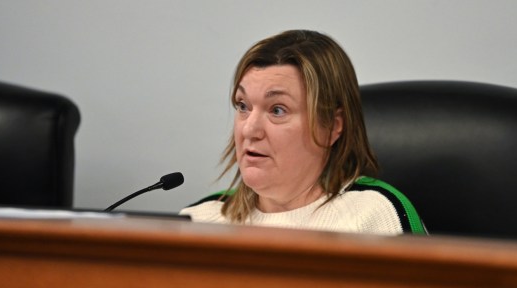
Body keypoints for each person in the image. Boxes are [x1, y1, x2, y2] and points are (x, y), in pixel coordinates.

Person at [180, 30, 426, 235]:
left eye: (277, 110)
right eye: (243, 106)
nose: (249, 129)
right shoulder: (198, 221)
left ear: (332, 126)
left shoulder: (376, 217)